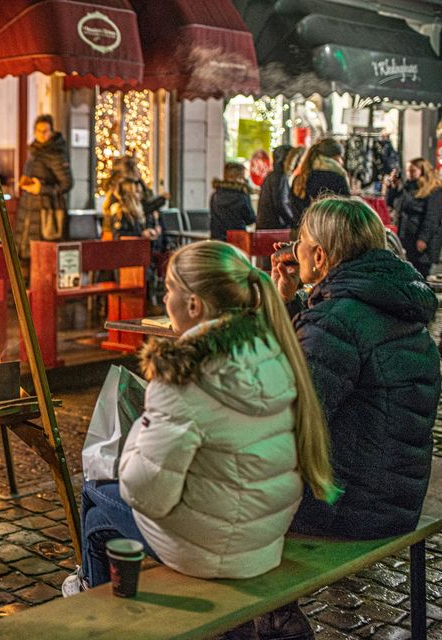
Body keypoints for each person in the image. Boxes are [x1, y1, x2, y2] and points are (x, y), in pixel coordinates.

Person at [65, 241, 336, 620]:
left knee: (95, 499)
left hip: (212, 551)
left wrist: (139, 433)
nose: (165, 298)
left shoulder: (184, 372)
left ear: (194, 305)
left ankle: (99, 616)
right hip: (262, 538)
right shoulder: (272, 347)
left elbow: (146, 493)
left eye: (170, 289)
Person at [267, 196, 440, 640]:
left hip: (346, 507)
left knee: (207, 496)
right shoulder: (392, 305)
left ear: (320, 255)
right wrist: (290, 303)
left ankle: (266, 620)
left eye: (300, 242)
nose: (294, 250)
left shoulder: (339, 319)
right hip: (393, 496)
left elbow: (288, 416)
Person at [16, 114, 73, 258]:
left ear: (52, 131)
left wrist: (42, 189)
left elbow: (67, 183)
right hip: (28, 211)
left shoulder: (56, 154)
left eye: (45, 130)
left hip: (46, 214)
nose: (41, 134)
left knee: (42, 257)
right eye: (38, 130)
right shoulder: (34, 152)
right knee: (24, 255)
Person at [384, 157, 442, 277]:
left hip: (421, 239)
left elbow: (432, 217)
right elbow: (391, 203)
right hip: (406, 236)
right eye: (408, 170)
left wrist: (423, 239)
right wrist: (392, 188)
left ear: (422, 171)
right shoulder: (407, 187)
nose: (409, 174)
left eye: (412, 171)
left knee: (421, 273)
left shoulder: (433, 191)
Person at [290, 138, 350, 226]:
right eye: (341, 157)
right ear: (335, 157)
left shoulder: (301, 177)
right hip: (329, 232)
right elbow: (345, 208)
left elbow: (294, 207)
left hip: (305, 230)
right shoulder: (337, 177)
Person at [209, 162, 256, 241]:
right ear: (239, 178)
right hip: (237, 240)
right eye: (243, 177)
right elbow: (250, 219)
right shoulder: (242, 196)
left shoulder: (215, 195)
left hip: (218, 239)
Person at [256, 144, 297, 230]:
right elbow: (281, 204)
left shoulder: (271, 176)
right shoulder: (280, 177)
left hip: (267, 226)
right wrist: (294, 223)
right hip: (276, 227)